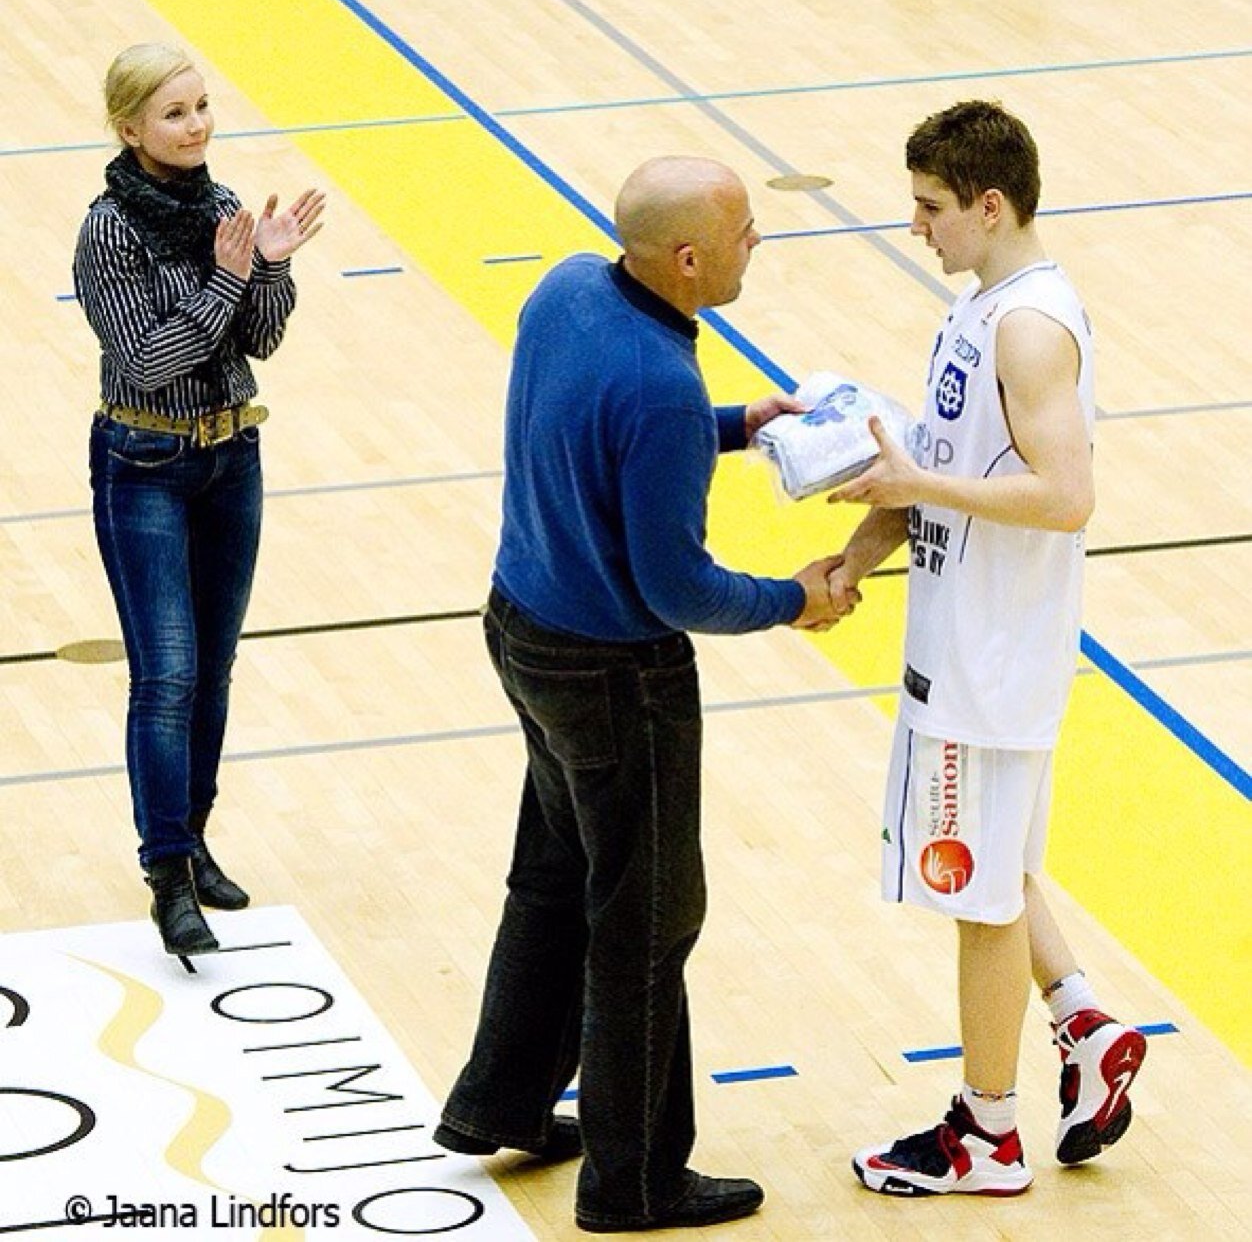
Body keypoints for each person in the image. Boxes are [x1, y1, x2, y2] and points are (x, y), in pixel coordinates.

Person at [432, 156, 854, 1233]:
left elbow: (592, 425)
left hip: (521, 627)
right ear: (686, 258)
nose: (758, 242)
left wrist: (733, 422)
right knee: (649, 923)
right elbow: (680, 587)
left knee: (554, 873)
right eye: (746, 231)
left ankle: (503, 1100)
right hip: (619, 677)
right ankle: (633, 1180)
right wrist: (792, 597)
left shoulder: (568, 286)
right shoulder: (658, 384)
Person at [825, 100, 1146, 1196]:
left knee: (976, 892)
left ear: (990, 203)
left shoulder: (1028, 325)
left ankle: (987, 1131)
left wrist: (916, 488)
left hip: (990, 654)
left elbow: (1064, 495)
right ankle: (1085, 1026)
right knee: (996, 860)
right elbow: (936, 452)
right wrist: (861, 546)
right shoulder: (985, 306)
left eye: (930, 207)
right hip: (962, 638)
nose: (915, 225)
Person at [74, 44, 326, 956]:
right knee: (167, 674)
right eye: (175, 113)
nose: (197, 126)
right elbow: (149, 359)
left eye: (203, 107)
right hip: (143, 463)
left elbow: (254, 341)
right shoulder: (108, 232)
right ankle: (166, 875)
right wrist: (230, 276)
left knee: (212, 671)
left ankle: (197, 840)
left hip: (232, 459)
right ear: (130, 127)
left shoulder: (225, 208)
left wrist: (273, 267)